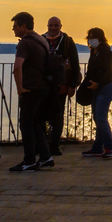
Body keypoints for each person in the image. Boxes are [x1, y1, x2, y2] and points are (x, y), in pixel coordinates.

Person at [10, 11, 53, 172]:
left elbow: (17, 66)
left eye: (15, 26)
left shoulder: (25, 43)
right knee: (36, 123)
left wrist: (19, 88)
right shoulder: (41, 40)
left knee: (26, 124)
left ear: (23, 25)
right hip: (43, 87)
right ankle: (45, 156)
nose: (13, 30)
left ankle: (29, 160)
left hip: (31, 88)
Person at [41, 16, 82, 157]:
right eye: (51, 25)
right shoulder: (41, 39)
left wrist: (73, 85)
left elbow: (75, 63)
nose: (53, 28)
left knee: (58, 117)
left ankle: (54, 146)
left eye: (56, 25)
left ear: (60, 26)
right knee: (41, 116)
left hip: (61, 85)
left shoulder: (68, 42)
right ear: (47, 26)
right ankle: (42, 145)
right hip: (44, 86)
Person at [80, 26, 112, 160]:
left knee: (101, 118)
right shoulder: (93, 52)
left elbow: (109, 73)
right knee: (98, 118)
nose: (91, 40)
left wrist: (99, 83)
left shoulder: (106, 53)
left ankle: (109, 148)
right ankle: (97, 148)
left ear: (100, 38)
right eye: (89, 37)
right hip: (96, 89)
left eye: (93, 37)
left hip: (105, 88)